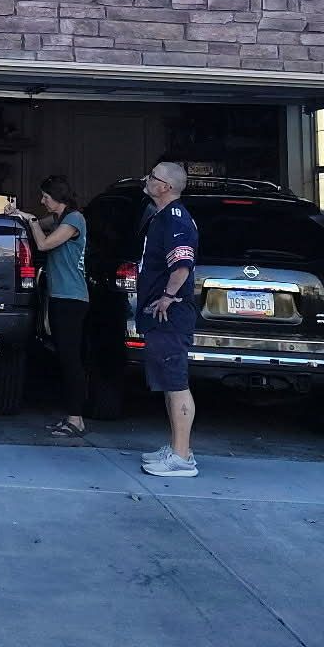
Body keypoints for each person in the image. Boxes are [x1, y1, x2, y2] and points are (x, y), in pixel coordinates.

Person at [137, 160, 200, 477]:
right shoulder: (160, 217)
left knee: (176, 382)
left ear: (165, 186)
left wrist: (168, 297)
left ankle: (182, 457)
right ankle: (178, 447)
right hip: (158, 314)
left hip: (170, 314)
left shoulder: (175, 219)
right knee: (167, 381)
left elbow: (182, 264)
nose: (147, 180)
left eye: (152, 177)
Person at [15, 176, 90, 441]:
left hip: (72, 298)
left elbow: (44, 243)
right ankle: (71, 415)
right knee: (62, 356)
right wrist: (20, 215)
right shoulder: (60, 219)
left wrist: (32, 221)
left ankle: (76, 418)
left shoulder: (74, 220)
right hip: (59, 296)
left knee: (71, 358)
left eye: (45, 197)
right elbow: (36, 222)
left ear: (57, 196)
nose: (42, 201)